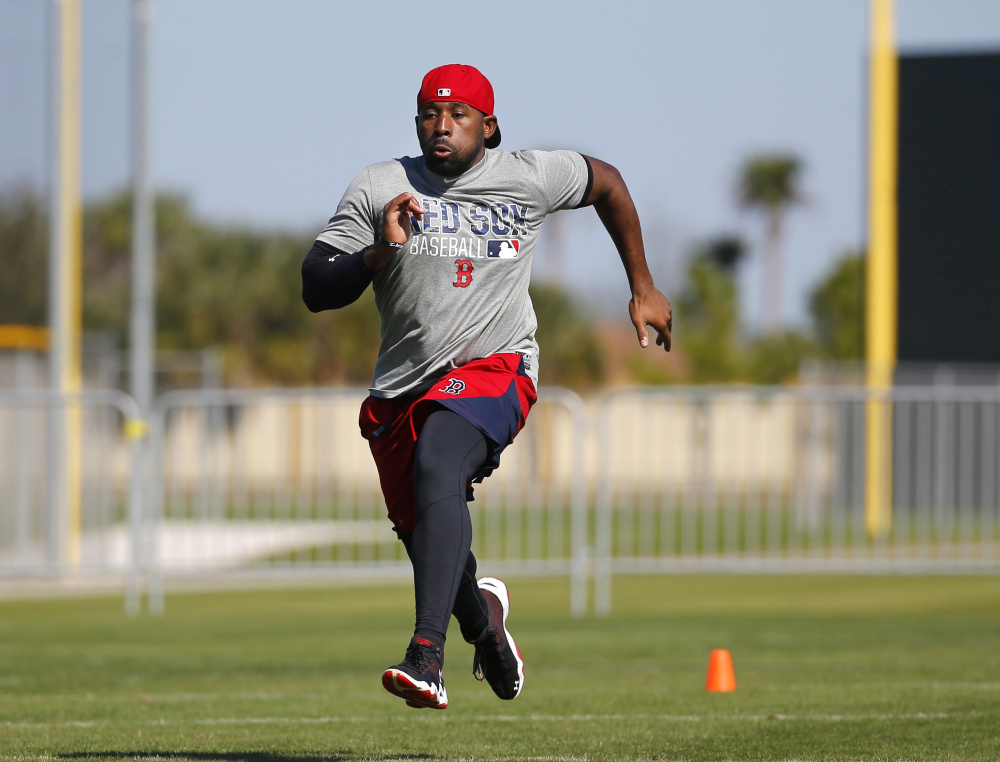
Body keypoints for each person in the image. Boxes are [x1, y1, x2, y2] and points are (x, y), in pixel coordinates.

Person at [302, 63, 672, 710]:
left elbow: (608, 183)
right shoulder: (380, 186)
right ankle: (486, 628)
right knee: (427, 530)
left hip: (496, 369)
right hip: (399, 392)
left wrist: (642, 286)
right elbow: (315, 287)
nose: (441, 127)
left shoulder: (526, 176)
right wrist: (378, 254)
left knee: (440, 462)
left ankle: (426, 656)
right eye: (428, 114)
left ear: (489, 126)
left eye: (458, 115)